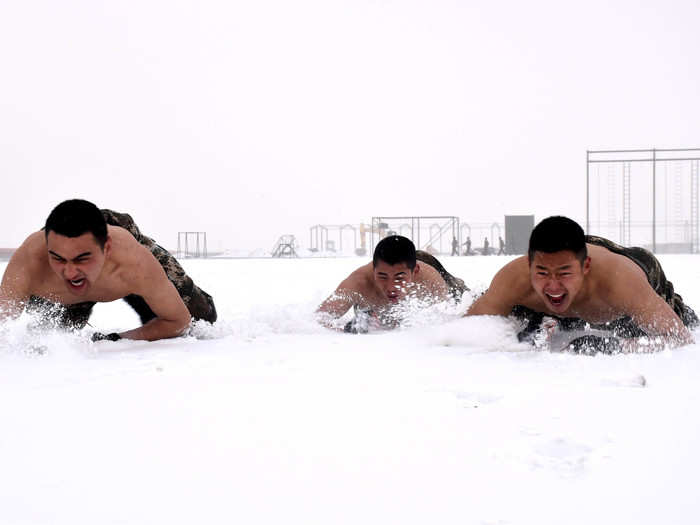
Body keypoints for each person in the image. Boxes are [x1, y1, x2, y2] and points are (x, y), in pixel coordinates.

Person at [466, 216, 697, 353]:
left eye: (564, 274)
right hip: (573, 281)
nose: (553, 286)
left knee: (675, 319)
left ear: (585, 267)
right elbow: (467, 329)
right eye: (542, 273)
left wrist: (613, 346)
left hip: (638, 268)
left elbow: (679, 338)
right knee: (510, 316)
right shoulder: (514, 279)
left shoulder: (620, 283)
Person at [0, 199, 217, 341]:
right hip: (67, 270)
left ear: (107, 249)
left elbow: (178, 322)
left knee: (202, 317)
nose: (69, 272)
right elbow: (3, 322)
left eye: (82, 259)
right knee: (49, 334)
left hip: (118, 234)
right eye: (58, 259)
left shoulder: (134, 262)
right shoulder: (29, 264)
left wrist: (117, 339)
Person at [317, 235, 467, 332]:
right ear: (373, 269)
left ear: (414, 272)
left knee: (462, 293)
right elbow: (318, 319)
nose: (390, 287)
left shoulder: (431, 281)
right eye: (382, 276)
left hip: (433, 269)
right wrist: (344, 330)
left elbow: (449, 324)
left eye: (399, 278)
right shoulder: (358, 283)